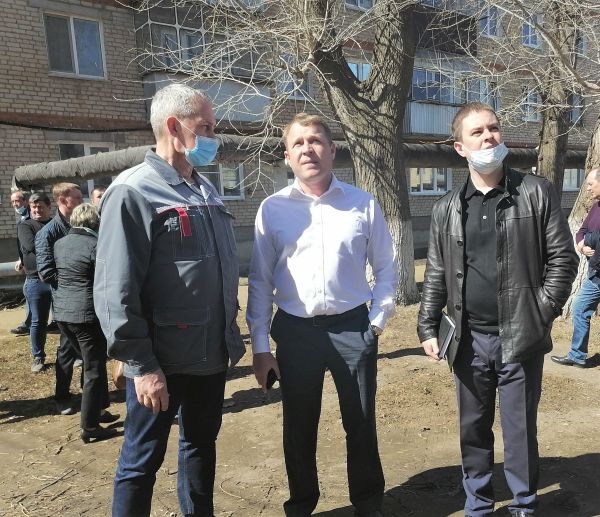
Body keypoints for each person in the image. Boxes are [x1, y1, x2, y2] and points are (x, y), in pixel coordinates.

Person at [417, 102, 578, 517]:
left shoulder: (535, 192)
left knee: (519, 429)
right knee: (472, 429)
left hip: (520, 338)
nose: (489, 136)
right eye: (477, 132)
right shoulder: (448, 207)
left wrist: (541, 311)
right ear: (460, 147)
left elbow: (563, 259)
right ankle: (479, 505)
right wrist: (427, 325)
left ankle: (524, 504)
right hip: (468, 340)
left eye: (493, 128)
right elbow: (436, 272)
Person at [94, 83, 245, 517]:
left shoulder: (204, 190)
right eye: (206, 127)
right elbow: (114, 289)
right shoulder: (134, 191)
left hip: (210, 354)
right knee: (141, 461)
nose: (214, 137)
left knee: (200, 447)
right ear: (175, 127)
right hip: (161, 362)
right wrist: (141, 365)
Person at [247, 113, 397, 517]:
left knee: (360, 422)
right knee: (298, 425)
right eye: (298, 143)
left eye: (315, 141)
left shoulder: (362, 204)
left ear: (331, 150)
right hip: (296, 333)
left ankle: (368, 503)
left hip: (353, 328)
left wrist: (377, 321)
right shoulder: (272, 209)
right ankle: (301, 505)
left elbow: (386, 266)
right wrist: (260, 348)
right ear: (287, 156)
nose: (307, 149)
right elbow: (259, 281)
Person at [53, 203, 119, 433]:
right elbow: (105, 280)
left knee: (92, 364)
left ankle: (99, 410)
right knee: (94, 369)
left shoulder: (60, 243)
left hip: (63, 314)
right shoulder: (96, 245)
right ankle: (90, 426)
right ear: (95, 223)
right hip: (86, 316)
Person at [35, 183, 84, 410]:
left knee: (90, 353)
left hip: (86, 300)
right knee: (67, 350)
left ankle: (92, 399)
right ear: (63, 201)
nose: (82, 201)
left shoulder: (82, 226)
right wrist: (75, 281)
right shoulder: (48, 233)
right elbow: (46, 272)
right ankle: (62, 397)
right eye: (78, 197)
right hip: (67, 302)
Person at [551, 168, 600, 368]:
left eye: (590, 184)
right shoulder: (596, 207)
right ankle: (577, 355)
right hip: (595, 274)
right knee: (580, 307)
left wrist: (590, 240)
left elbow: (594, 237)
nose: (587, 189)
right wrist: (581, 245)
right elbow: (582, 231)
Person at [16, 192, 53, 372]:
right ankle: (38, 356)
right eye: (33, 207)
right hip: (36, 280)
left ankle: (72, 354)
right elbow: (31, 246)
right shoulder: (25, 226)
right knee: (38, 321)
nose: (37, 210)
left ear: (49, 207)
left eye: (40, 207)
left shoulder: (56, 223)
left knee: (65, 320)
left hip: (58, 278)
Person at [10, 190, 31, 336]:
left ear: (25, 201)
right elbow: (23, 245)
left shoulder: (32, 217)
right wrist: (20, 259)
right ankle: (28, 324)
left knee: (29, 291)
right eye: (12, 202)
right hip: (28, 262)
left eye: (17, 201)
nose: (15, 204)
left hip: (37, 263)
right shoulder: (22, 219)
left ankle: (28, 325)